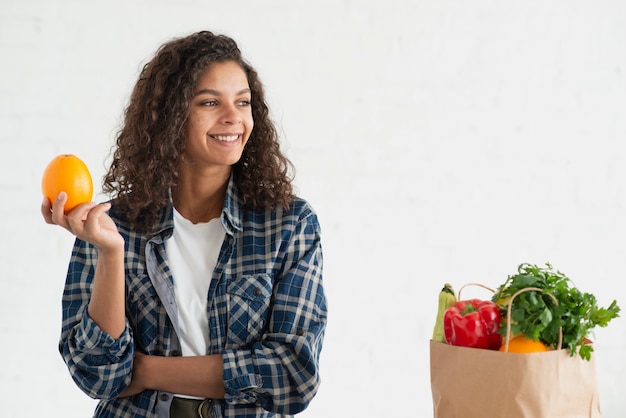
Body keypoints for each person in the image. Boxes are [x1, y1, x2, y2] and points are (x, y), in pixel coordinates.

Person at [41, 30, 327, 418]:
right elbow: (99, 376)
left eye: (242, 102)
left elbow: (293, 376)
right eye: (210, 102)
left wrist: (144, 370)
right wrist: (110, 253)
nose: (233, 118)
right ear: (170, 116)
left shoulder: (289, 225)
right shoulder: (112, 226)